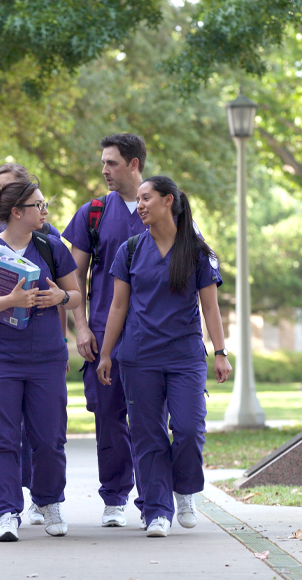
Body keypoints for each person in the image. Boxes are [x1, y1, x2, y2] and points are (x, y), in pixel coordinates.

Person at [96, 176, 231, 537]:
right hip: (139, 357)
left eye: (146, 198)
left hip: (185, 356)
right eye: (138, 200)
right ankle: (156, 510)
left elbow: (211, 307)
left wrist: (220, 352)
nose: (139, 205)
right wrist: (106, 353)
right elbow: (118, 305)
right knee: (147, 434)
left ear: (168, 201)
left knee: (188, 429)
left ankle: (184, 490)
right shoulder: (129, 250)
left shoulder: (199, 252)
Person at [0, 179, 81, 542]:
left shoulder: (51, 246)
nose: (45, 212)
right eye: (38, 206)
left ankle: (49, 501)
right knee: (1, 437)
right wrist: (10, 301)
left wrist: (60, 297)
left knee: (48, 438)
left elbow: (76, 295)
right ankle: (5, 512)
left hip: (46, 358)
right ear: (16, 212)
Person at [62, 133, 148, 527]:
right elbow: (73, 277)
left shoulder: (167, 206)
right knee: (109, 419)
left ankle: (154, 499)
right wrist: (81, 328)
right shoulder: (93, 213)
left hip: (153, 332)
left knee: (152, 417)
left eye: (111, 163)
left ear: (133, 164)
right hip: (103, 331)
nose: (104, 170)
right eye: (103, 163)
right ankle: (114, 498)